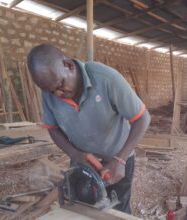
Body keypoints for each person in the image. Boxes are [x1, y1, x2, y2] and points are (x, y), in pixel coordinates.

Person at [27, 44, 151, 213]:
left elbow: (142, 118)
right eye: (51, 91)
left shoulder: (105, 78)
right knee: (84, 208)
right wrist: (76, 154)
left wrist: (120, 160)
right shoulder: (49, 92)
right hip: (83, 161)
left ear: (69, 65)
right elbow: (53, 128)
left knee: (118, 211)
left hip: (117, 158)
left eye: (60, 85)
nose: (58, 94)